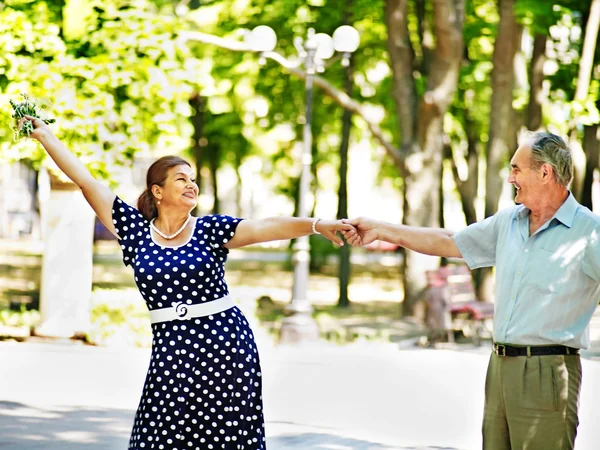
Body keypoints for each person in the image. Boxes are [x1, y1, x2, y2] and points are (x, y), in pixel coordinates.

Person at [19, 115, 354, 450]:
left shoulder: (210, 230)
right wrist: (46, 136)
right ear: (157, 190)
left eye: (193, 179)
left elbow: (268, 226)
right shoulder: (134, 232)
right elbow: (87, 182)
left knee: (224, 439)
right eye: (181, 179)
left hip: (225, 346)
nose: (191, 184)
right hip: (171, 348)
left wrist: (317, 224)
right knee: (159, 437)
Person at [342, 131, 600, 450]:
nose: (510, 178)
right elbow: (449, 241)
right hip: (500, 367)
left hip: (547, 370)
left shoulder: (589, 231)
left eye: (517, 169)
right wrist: (382, 229)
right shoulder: (509, 222)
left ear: (545, 172)